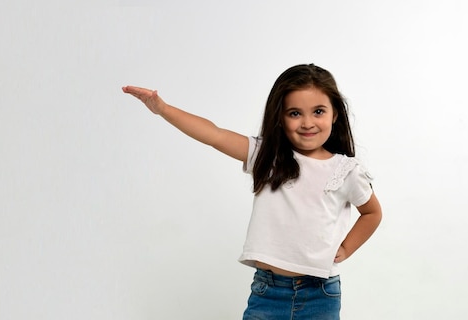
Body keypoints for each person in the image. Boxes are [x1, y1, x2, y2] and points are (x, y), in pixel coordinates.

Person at [122, 64, 382, 320]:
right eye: (294, 113)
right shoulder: (267, 156)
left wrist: (347, 248)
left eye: (318, 111)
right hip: (268, 292)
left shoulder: (346, 170)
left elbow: (372, 212)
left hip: (320, 295)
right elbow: (214, 135)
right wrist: (163, 109)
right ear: (279, 117)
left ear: (334, 114)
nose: (307, 123)